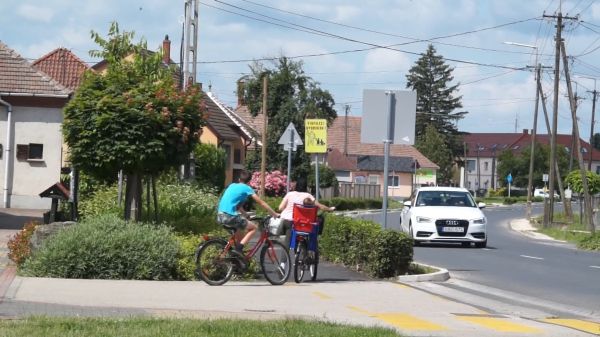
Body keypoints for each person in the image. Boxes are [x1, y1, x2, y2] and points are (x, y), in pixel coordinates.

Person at [217, 170, 279, 255]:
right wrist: (274, 214)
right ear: (249, 181)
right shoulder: (247, 188)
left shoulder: (232, 185)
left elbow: (237, 206)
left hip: (220, 215)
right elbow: (261, 202)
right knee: (253, 228)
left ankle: (235, 259)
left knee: (240, 232)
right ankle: (238, 250)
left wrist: (246, 215)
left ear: (239, 179)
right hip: (230, 216)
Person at [278, 177, 334, 248]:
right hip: (300, 222)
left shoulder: (289, 194)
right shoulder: (308, 196)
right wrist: (330, 209)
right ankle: (310, 249)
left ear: (296, 185)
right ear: (305, 186)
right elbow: (321, 206)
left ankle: (284, 258)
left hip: (286, 221)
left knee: (287, 239)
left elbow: (280, 208)